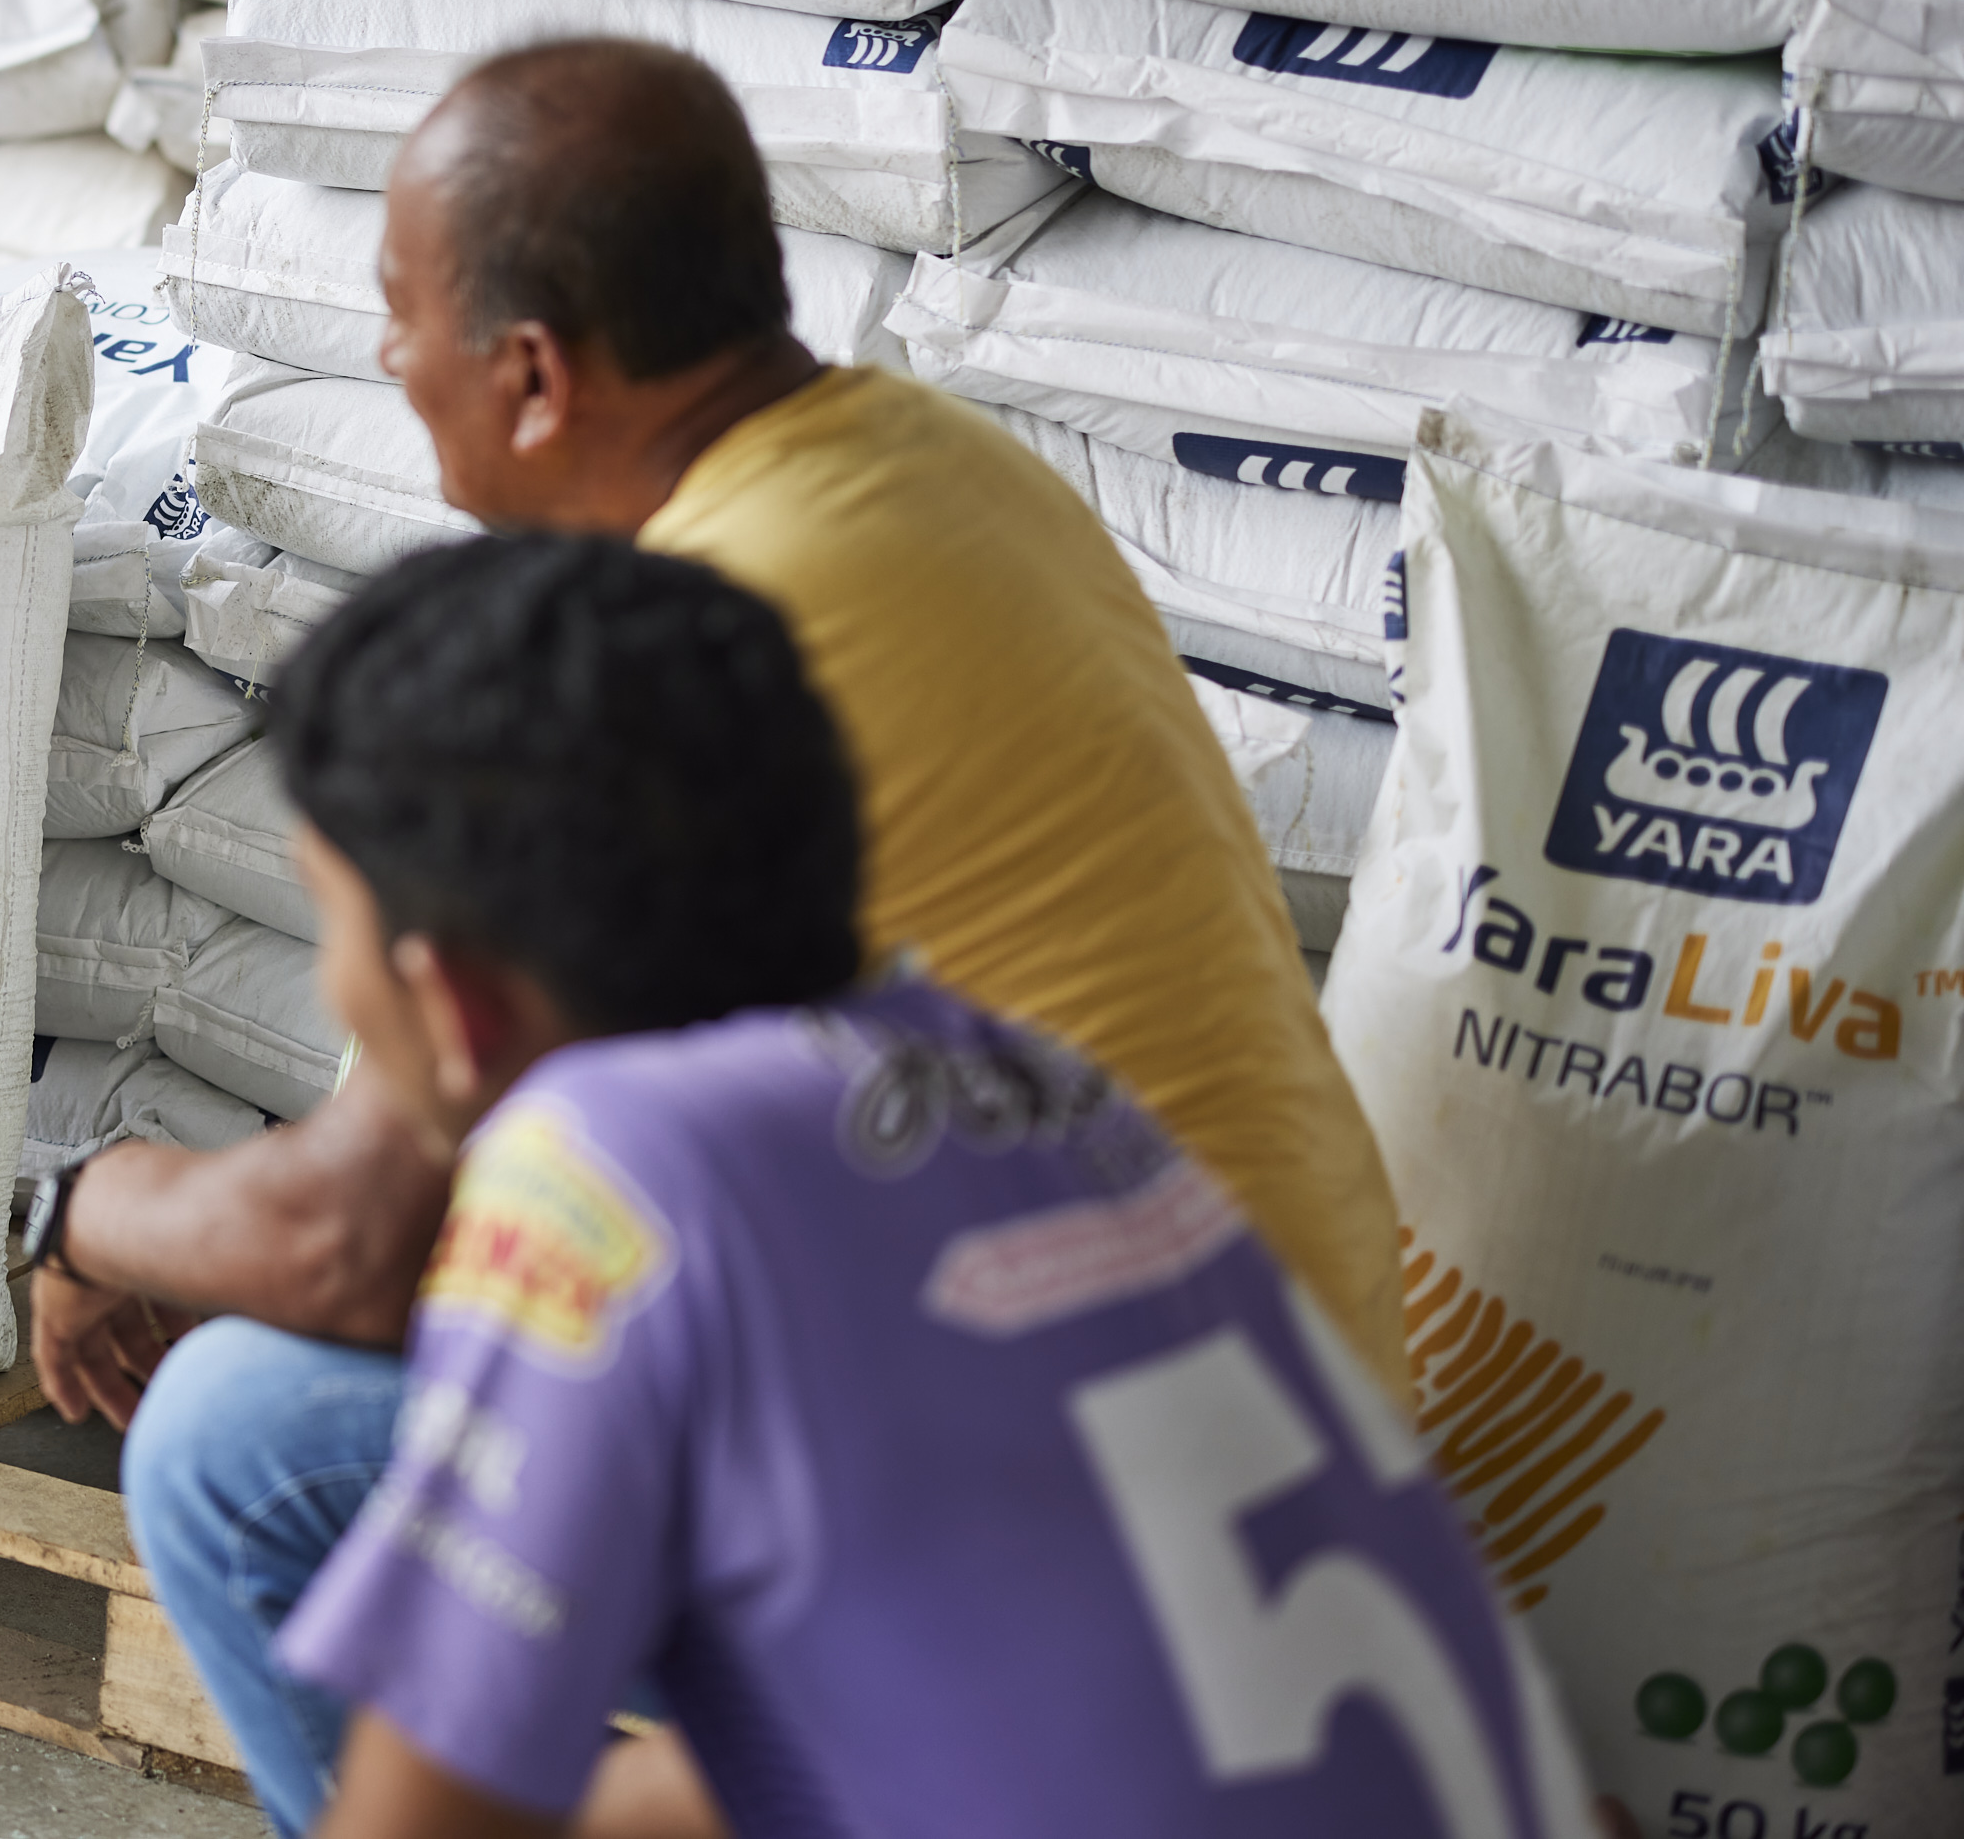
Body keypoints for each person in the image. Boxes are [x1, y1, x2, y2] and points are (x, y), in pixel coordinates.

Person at [28, 40, 1409, 1831]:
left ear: (529, 376)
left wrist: (66, 1201)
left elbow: (349, 1246)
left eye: (399, 315)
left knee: (240, 1437)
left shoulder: (634, 694)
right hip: (1285, 1460)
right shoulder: (933, 470)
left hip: (1047, 1520)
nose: (378, 359)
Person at [256, 532, 1595, 1839]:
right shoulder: (1038, 1085)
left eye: (331, 920)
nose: (331, 981)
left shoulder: (601, 1167)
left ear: (450, 1001)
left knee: (235, 1447)